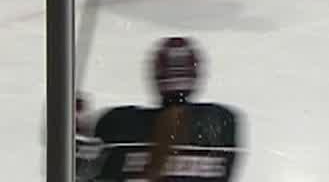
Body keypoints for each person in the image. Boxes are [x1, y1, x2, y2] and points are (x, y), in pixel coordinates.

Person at [76, 37, 242, 181]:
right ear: (195, 75)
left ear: (156, 73)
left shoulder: (118, 124)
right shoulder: (222, 123)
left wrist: (77, 130)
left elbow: (84, 171)